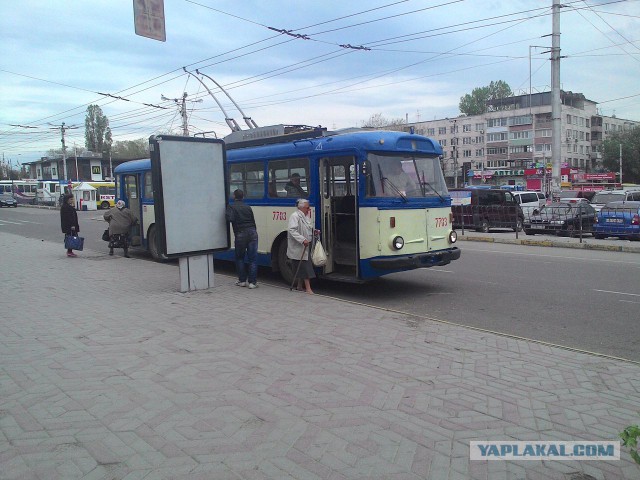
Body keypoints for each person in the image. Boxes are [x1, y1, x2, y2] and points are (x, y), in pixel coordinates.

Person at [225, 189, 259, 289]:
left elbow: (229, 219)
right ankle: (252, 283)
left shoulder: (231, 206)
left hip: (240, 234)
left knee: (240, 258)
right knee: (252, 259)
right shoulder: (248, 206)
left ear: (234, 196)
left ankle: (242, 281)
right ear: (243, 197)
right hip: (252, 233)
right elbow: (253, 221)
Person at [287, 198, 316, 294]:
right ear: (302, 207)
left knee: (300, 266)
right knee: (305, 267)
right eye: (307, 208)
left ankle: (299, 286)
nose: (309, 209)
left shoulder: (305, 216)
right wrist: (302, 239)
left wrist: (314, 232)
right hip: (299, 246)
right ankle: (308, 288)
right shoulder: (295, 216)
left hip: (305, 245)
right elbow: (292, 230)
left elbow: (308, 228)